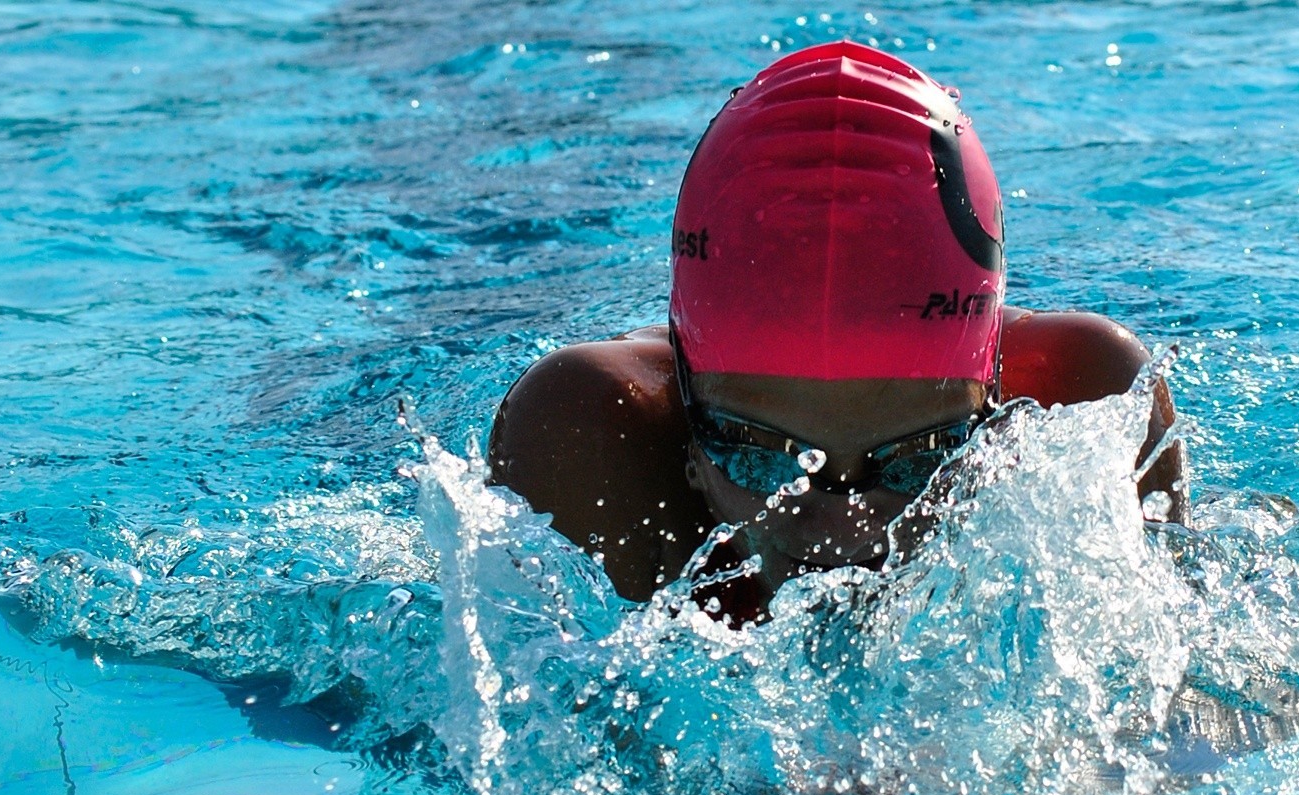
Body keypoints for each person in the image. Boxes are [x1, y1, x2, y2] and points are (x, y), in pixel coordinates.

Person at [490, 41, 1182, 623]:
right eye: (766, 461)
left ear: (994, 399)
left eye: (918, 460)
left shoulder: (1090, 403)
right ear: (687, 410)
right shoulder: (588, 440)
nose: (849, 530)